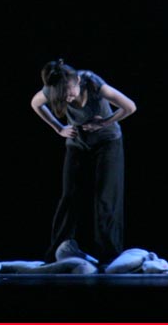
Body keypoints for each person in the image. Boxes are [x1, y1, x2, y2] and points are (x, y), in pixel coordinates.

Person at [31, 60, 136, 265]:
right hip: (77, 143)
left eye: (69, 92)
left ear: (78, 80)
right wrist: (58, 128)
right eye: (62, 95)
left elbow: (130, 106)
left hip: (107, 142)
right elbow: (35, 103)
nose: (67, 98)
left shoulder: (94, 83)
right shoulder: (54, 86)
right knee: (69, 196)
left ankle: (109, 257)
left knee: (106, 199)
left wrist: (104, 122)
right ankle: (56, 253)